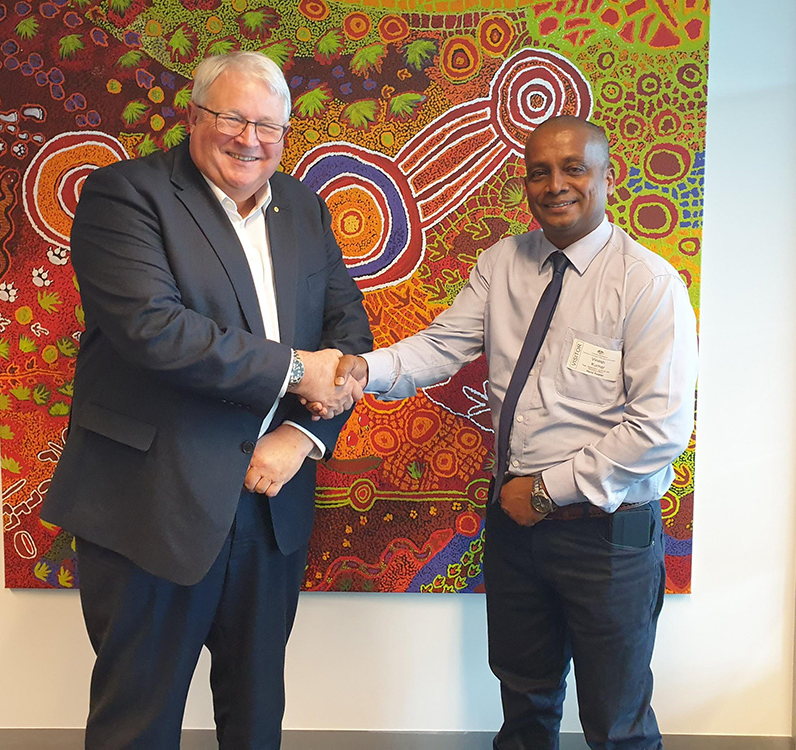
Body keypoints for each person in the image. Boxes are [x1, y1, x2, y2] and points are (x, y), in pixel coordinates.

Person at [325, 116, 698, 749]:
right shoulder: (502, 263)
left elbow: (659, 429)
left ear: (611, 176)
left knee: (618, 724)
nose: (556, 185)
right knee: (524, 710)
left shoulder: (648, 284)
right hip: (517, 531)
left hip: (605, 538)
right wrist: (362, 369)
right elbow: (442, 346)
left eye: (573, 168)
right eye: (540, 171)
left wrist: (548, 490)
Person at [42, 50, 372, 749]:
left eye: (269, 126)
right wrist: (292, 372)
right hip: (151, 503)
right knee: (139, 719)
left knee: (255, 718)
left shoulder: (304, 209)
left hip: (270, 502)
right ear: (194, 117)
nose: (250, 139)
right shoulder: (124, 195)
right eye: (232, 118)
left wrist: (302, 440)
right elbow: (154, 331)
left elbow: (348, 336)